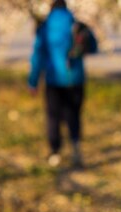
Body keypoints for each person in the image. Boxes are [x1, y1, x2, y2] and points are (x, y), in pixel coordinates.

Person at [28, 0, 98, 168]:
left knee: (53, 116)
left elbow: (38, 56)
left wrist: (33, 81)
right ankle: (76, 147)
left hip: (53, 80)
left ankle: (55, 153)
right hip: (76, 79)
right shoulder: (76, 24)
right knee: (74, 114)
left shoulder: (45, 28)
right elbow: (93, 47)